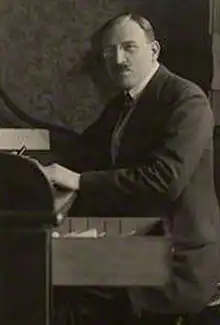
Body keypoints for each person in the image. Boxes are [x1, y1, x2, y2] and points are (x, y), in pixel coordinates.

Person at [42, 12, 220, 325]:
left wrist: (77, 180)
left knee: (54, 288)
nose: (118, 59)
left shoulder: (186, 100)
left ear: (154, 51)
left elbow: (165, 181)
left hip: (176, 259)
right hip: (143, 245)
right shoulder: (123, 104)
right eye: (109, 52)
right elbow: (81, 153)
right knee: (44, 271)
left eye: (129, 48)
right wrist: (29, 172)